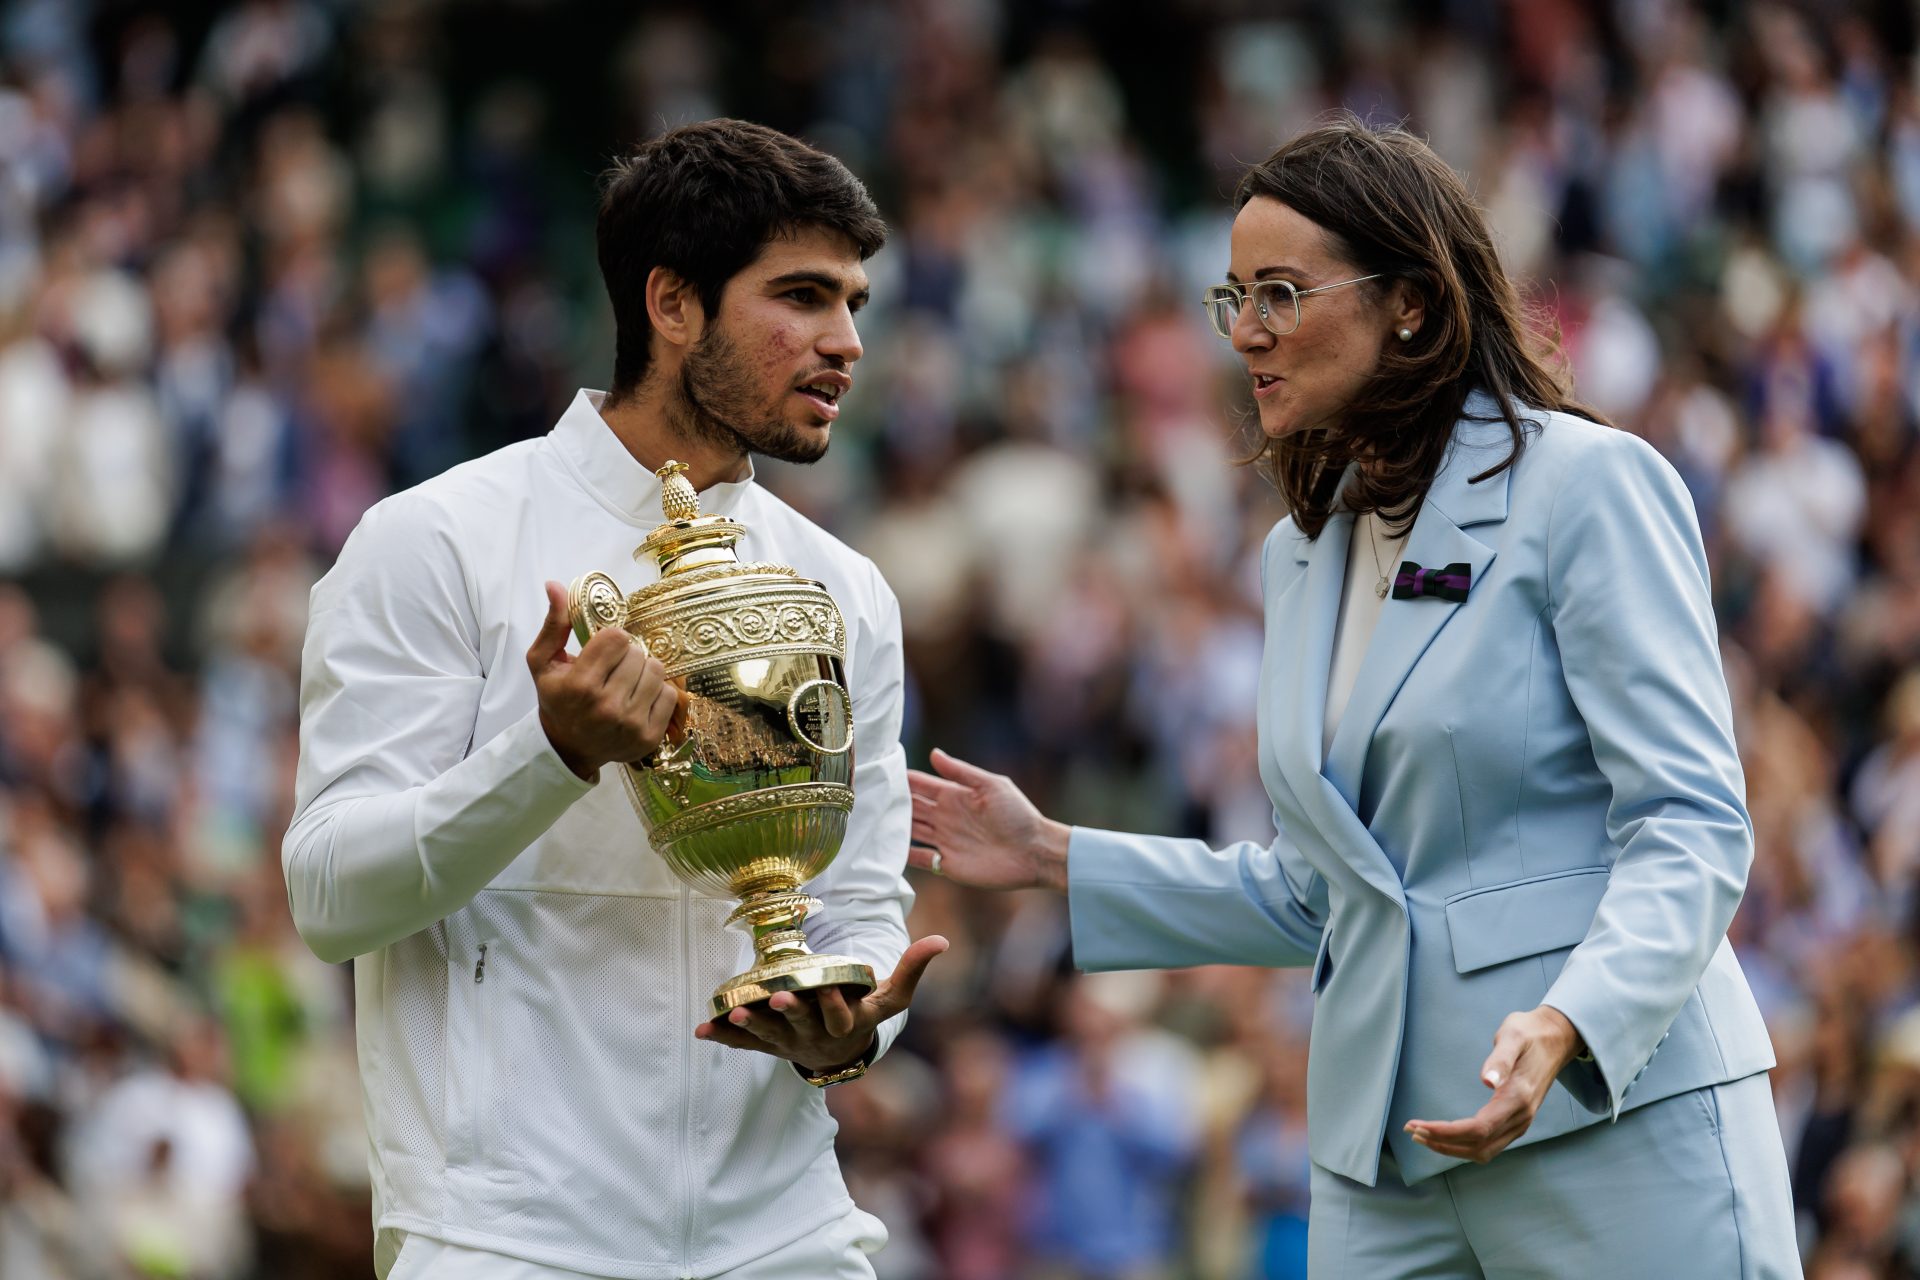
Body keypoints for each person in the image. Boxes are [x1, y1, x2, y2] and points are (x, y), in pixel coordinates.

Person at [908, 114, 1799, 1278]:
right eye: (1232, 298)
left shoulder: (1587, 484)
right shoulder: (1299, 557)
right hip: (1379, 1158)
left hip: (1610, 1111)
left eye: (1280, 291)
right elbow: (1323, 891)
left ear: (1413, 303)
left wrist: (1575, 1016)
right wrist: (1055, 853)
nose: (1248, 333)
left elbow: (1689, 820)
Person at [282, 119, 946, 1280]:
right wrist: (550, 751)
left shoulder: (847, 591)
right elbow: (333, 896)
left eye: (854, 304)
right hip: (507, 1236)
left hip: (785, 1230)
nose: (844, 342)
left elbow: (858, 903)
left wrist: (855, 1019)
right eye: (800, 296)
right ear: (672, 304)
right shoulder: (434, 542)